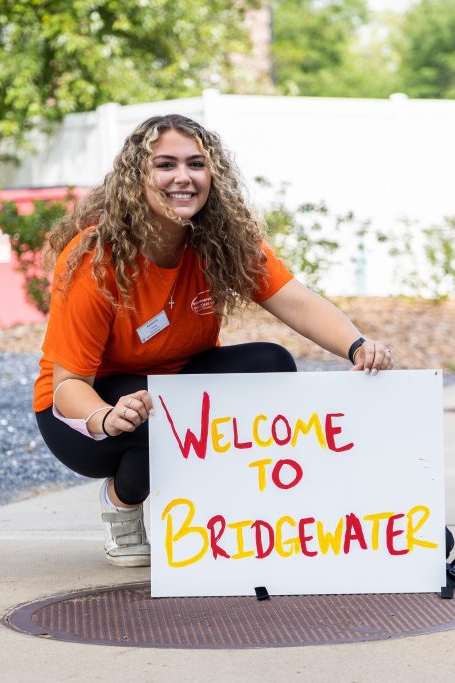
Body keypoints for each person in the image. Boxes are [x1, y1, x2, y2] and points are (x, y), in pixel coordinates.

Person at [33, 114, 393, 567]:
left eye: (196, 164)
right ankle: (122, 501)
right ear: (136, 178)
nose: (183, 177)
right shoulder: (96, 258)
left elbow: (296, 302)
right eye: (165, 165)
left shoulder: (219, 240)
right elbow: (68, 387)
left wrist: (358, 347)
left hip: (173, 388)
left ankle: (239, 515)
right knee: (157, 411)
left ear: (212, 175)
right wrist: (107, 416)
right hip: (85, 414)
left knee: (270, 364)